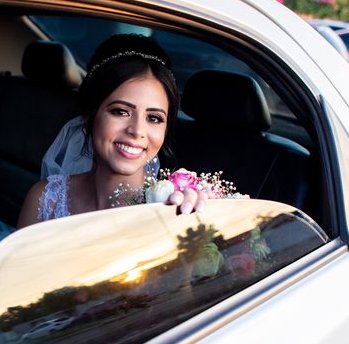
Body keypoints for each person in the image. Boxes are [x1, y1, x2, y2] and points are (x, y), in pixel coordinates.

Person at [18, 33, 209, 229]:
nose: (137, 131)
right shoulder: (45, 199)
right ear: (89, 115)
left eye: (154, 118)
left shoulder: (174, 209)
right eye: (120, 111)